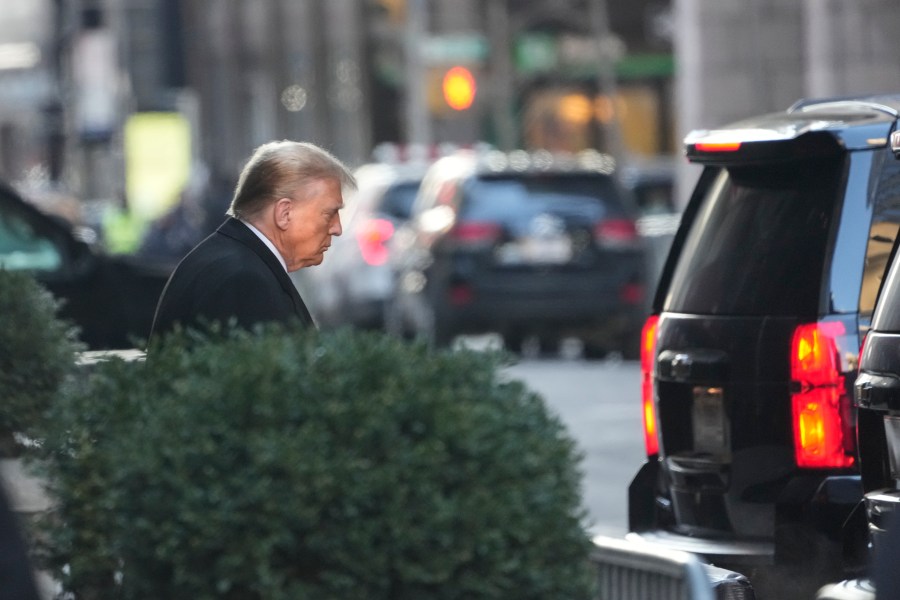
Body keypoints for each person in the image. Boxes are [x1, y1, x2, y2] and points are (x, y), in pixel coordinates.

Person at [149, 140, 356, 341]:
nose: (337, 228)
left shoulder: (236, 261)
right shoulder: (243, 279)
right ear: (284, 213)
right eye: (330, 213)